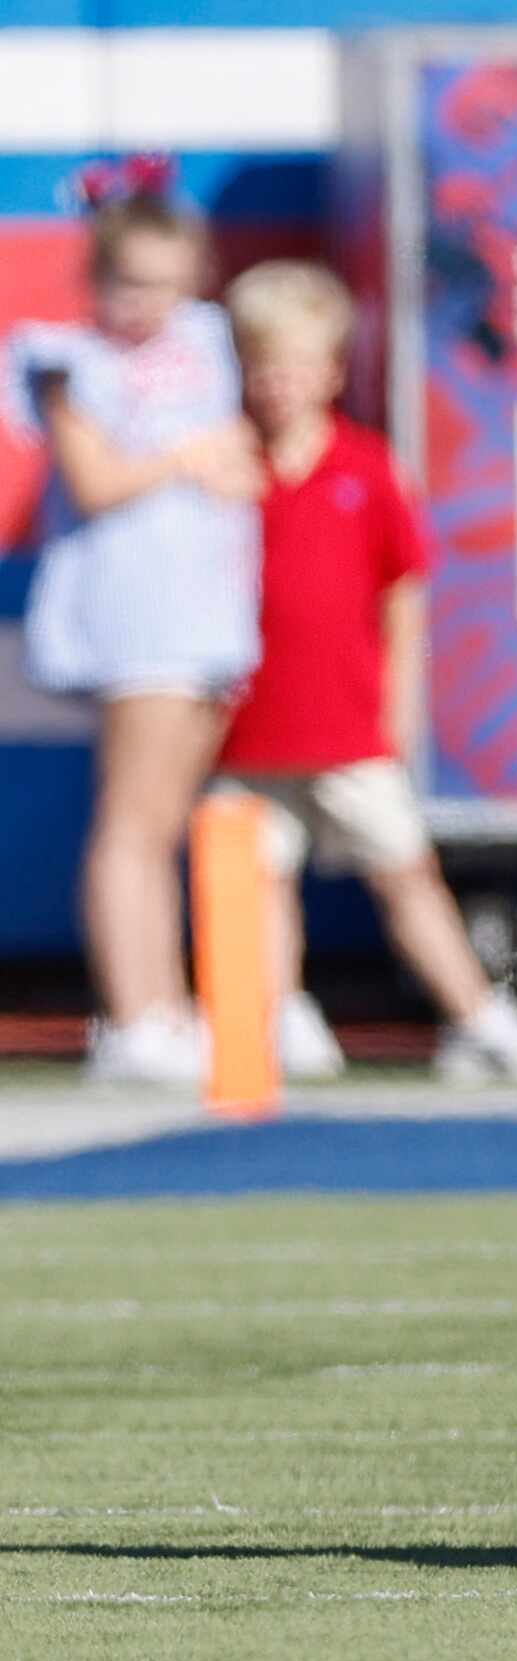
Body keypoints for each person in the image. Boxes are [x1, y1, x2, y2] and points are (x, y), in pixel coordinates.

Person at [211, 263, 517, 1085]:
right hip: (244, 731)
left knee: (404, 871)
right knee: (256, 883)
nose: (281, 386)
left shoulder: (367, 469)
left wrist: (398, 704)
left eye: (300, 366)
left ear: (334, 371)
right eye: (265, 366)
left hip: (347, 724)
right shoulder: (223, 468)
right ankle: (275, 1013)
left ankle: (480, 1017)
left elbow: (403, 595)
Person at [5, 172, 261, 1086]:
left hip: (209, 617)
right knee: (130, 823)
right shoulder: (65, 358)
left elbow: (246, 455)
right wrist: (190, 459)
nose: (142, 302)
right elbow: (99, 479)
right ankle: (133, 1012)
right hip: (133, 617)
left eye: (162, 280)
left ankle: (168, 1005)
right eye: (126, 281)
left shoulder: (208, 339)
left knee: (164, 824)